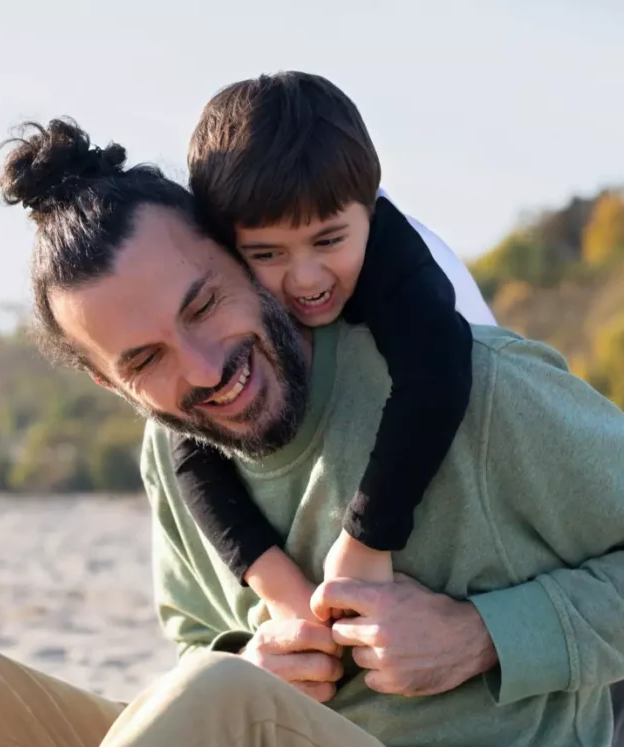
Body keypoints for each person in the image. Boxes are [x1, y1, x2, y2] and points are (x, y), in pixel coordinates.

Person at [0, 116, 624, 747]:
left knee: (212, 701)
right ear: (113, 385)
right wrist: (252, 655)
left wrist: (485, 636)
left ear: (248, 258)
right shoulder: (176, 449)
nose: (201, 368)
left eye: (203, 304)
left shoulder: (479, 389)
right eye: (145, 361)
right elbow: (197, 634)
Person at [170, 72, 485, 624]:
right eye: (267, 254)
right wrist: (277, 587)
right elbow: (192, 450)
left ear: (370, 207)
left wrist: (366, 538)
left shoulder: (401, 263)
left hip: (529, 500)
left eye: (330, 241)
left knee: (620, 700)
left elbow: (437, 379)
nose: (306, 278)